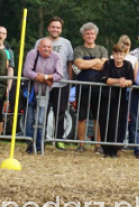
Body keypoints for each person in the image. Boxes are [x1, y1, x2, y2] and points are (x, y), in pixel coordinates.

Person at [22, 38, 65, 154]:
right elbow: (26, 71)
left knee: (41, 121)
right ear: (39, 48)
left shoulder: (56, 57)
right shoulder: (32, 54)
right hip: (31, 93)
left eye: (49, 47)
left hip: (45, 94)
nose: (47, 49)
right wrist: (37, 77)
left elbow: (60, 74)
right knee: (30, 120)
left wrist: (45, 77)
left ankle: (40, 147)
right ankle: (30, 146)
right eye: (44, 47)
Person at [73, 22, 108, 152]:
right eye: (87, 33)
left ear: (96, 35)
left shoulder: (102, 49)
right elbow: (79, 65)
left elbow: (104, 66)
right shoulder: (78, 50)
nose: (90, 36)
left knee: (98, 116)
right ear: (83, 36)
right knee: (81, 115)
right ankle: (81, 144)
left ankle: (98, 145)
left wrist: (87, 64)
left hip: (99, 87)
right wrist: (96, 62)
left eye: (92, 33)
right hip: (83, 86)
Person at [97, 43, 134, 158]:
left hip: (121, 98)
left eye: (121, 54)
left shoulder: (128, 65)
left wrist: (126, 82)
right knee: (105, 122)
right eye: (116, 54)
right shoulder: (108, 63)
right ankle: (106, 149)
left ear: (124, 54)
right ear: (113, 54)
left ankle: (114, 150)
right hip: (106, 97)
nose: (118, 56)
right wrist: (118, 80)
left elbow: (132, 80)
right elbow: (105, 79)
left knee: (117, 123)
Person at [44, 17, 74, 149]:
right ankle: (42, 138)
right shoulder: (41, 42)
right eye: (53, 27)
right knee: (42, 112)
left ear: (61, 30)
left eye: (58, 27)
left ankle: (59, 139)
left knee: (60, 113)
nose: (55, 29)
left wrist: (69, 81)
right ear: (48, 28)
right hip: (44, 84)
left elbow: (70, 63)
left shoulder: (66, 43)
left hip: (61, 84)